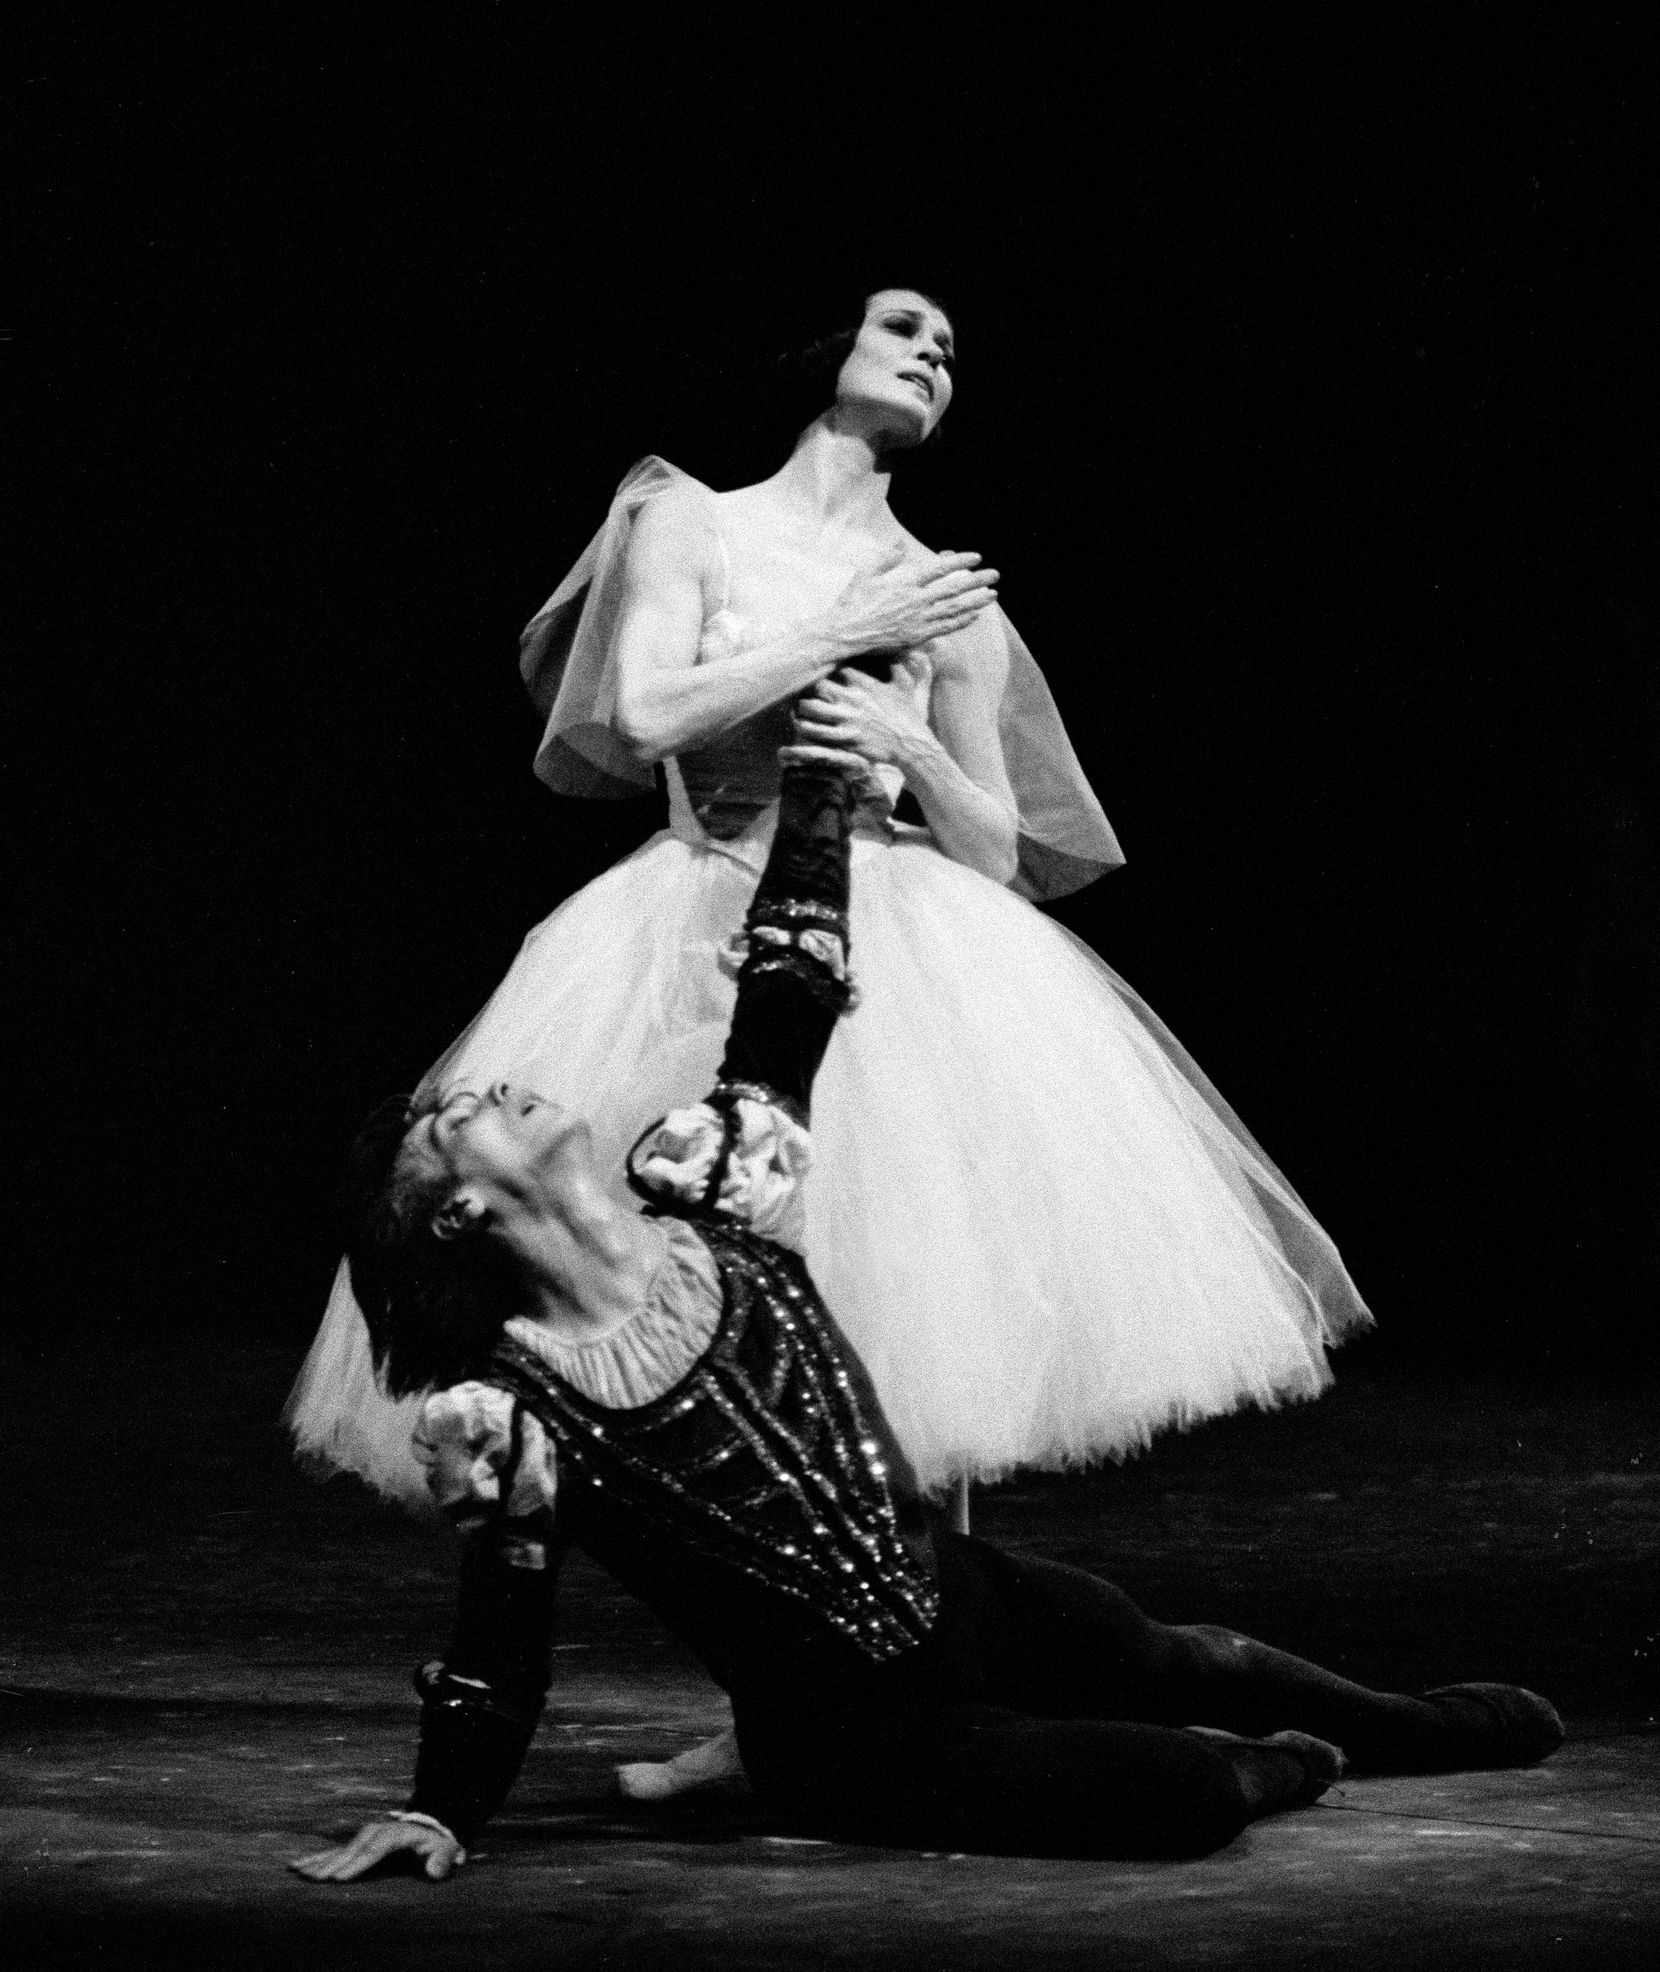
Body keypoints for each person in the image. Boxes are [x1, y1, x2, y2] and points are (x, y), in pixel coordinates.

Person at [290, 760, 1561, 1881]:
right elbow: (497, 1650)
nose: (488, 1088)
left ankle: (1414, 1726)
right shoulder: (517, 1411)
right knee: (1173, 1790)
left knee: (1197, 1653)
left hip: (956, 1593)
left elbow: (786, 981)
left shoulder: (720, 1192)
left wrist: (825, 797)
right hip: (854, 1736)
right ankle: (1287, 1765)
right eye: (452, 1122)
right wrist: (438, 1806)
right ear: (452, 1217)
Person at [288, 287, 1373, 1524]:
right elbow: (643, 720)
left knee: (918, 1292)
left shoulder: (944, 591)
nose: (932, 358)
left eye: (950, 353)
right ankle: (779, 1672)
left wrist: (913, 745)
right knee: (709, 1281)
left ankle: (925, 1655)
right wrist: (845, 632)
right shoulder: (689, 520)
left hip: (897, 933)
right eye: (904, 330)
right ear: (821, 351)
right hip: (701, 918)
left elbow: (997, 853)